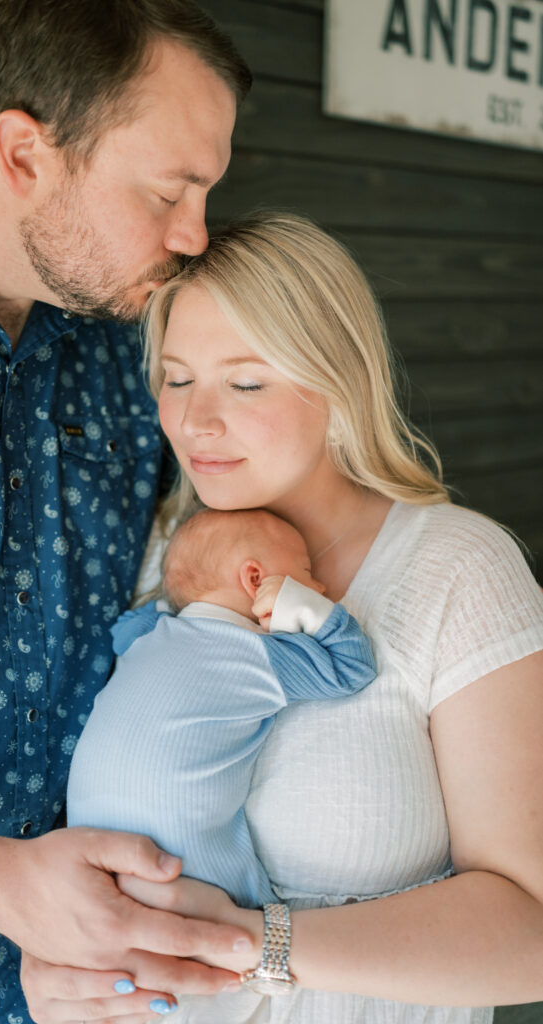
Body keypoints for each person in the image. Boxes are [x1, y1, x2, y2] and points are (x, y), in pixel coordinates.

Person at [0, 1, 253, 1021]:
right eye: (170, 190)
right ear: (26, 152)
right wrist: (4, 888)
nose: (194, 235)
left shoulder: (128, 335)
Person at [105, 210, 543, 1023]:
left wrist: (256, 942)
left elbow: (529, 931)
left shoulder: (457, 568)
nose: (195, 422)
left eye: (245, 381)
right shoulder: (162, 550)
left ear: (338, 386)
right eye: (175, 377)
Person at [67, 506, 376, 910]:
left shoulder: (147, 636)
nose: (318, 584)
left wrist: (174, 597)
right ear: (255, 580)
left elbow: (122, 629)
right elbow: (353, 669)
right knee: (250, 922)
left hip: (94, 848)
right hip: (186, 863)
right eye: (304, 573)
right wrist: (311, 612)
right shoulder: (257, 655)